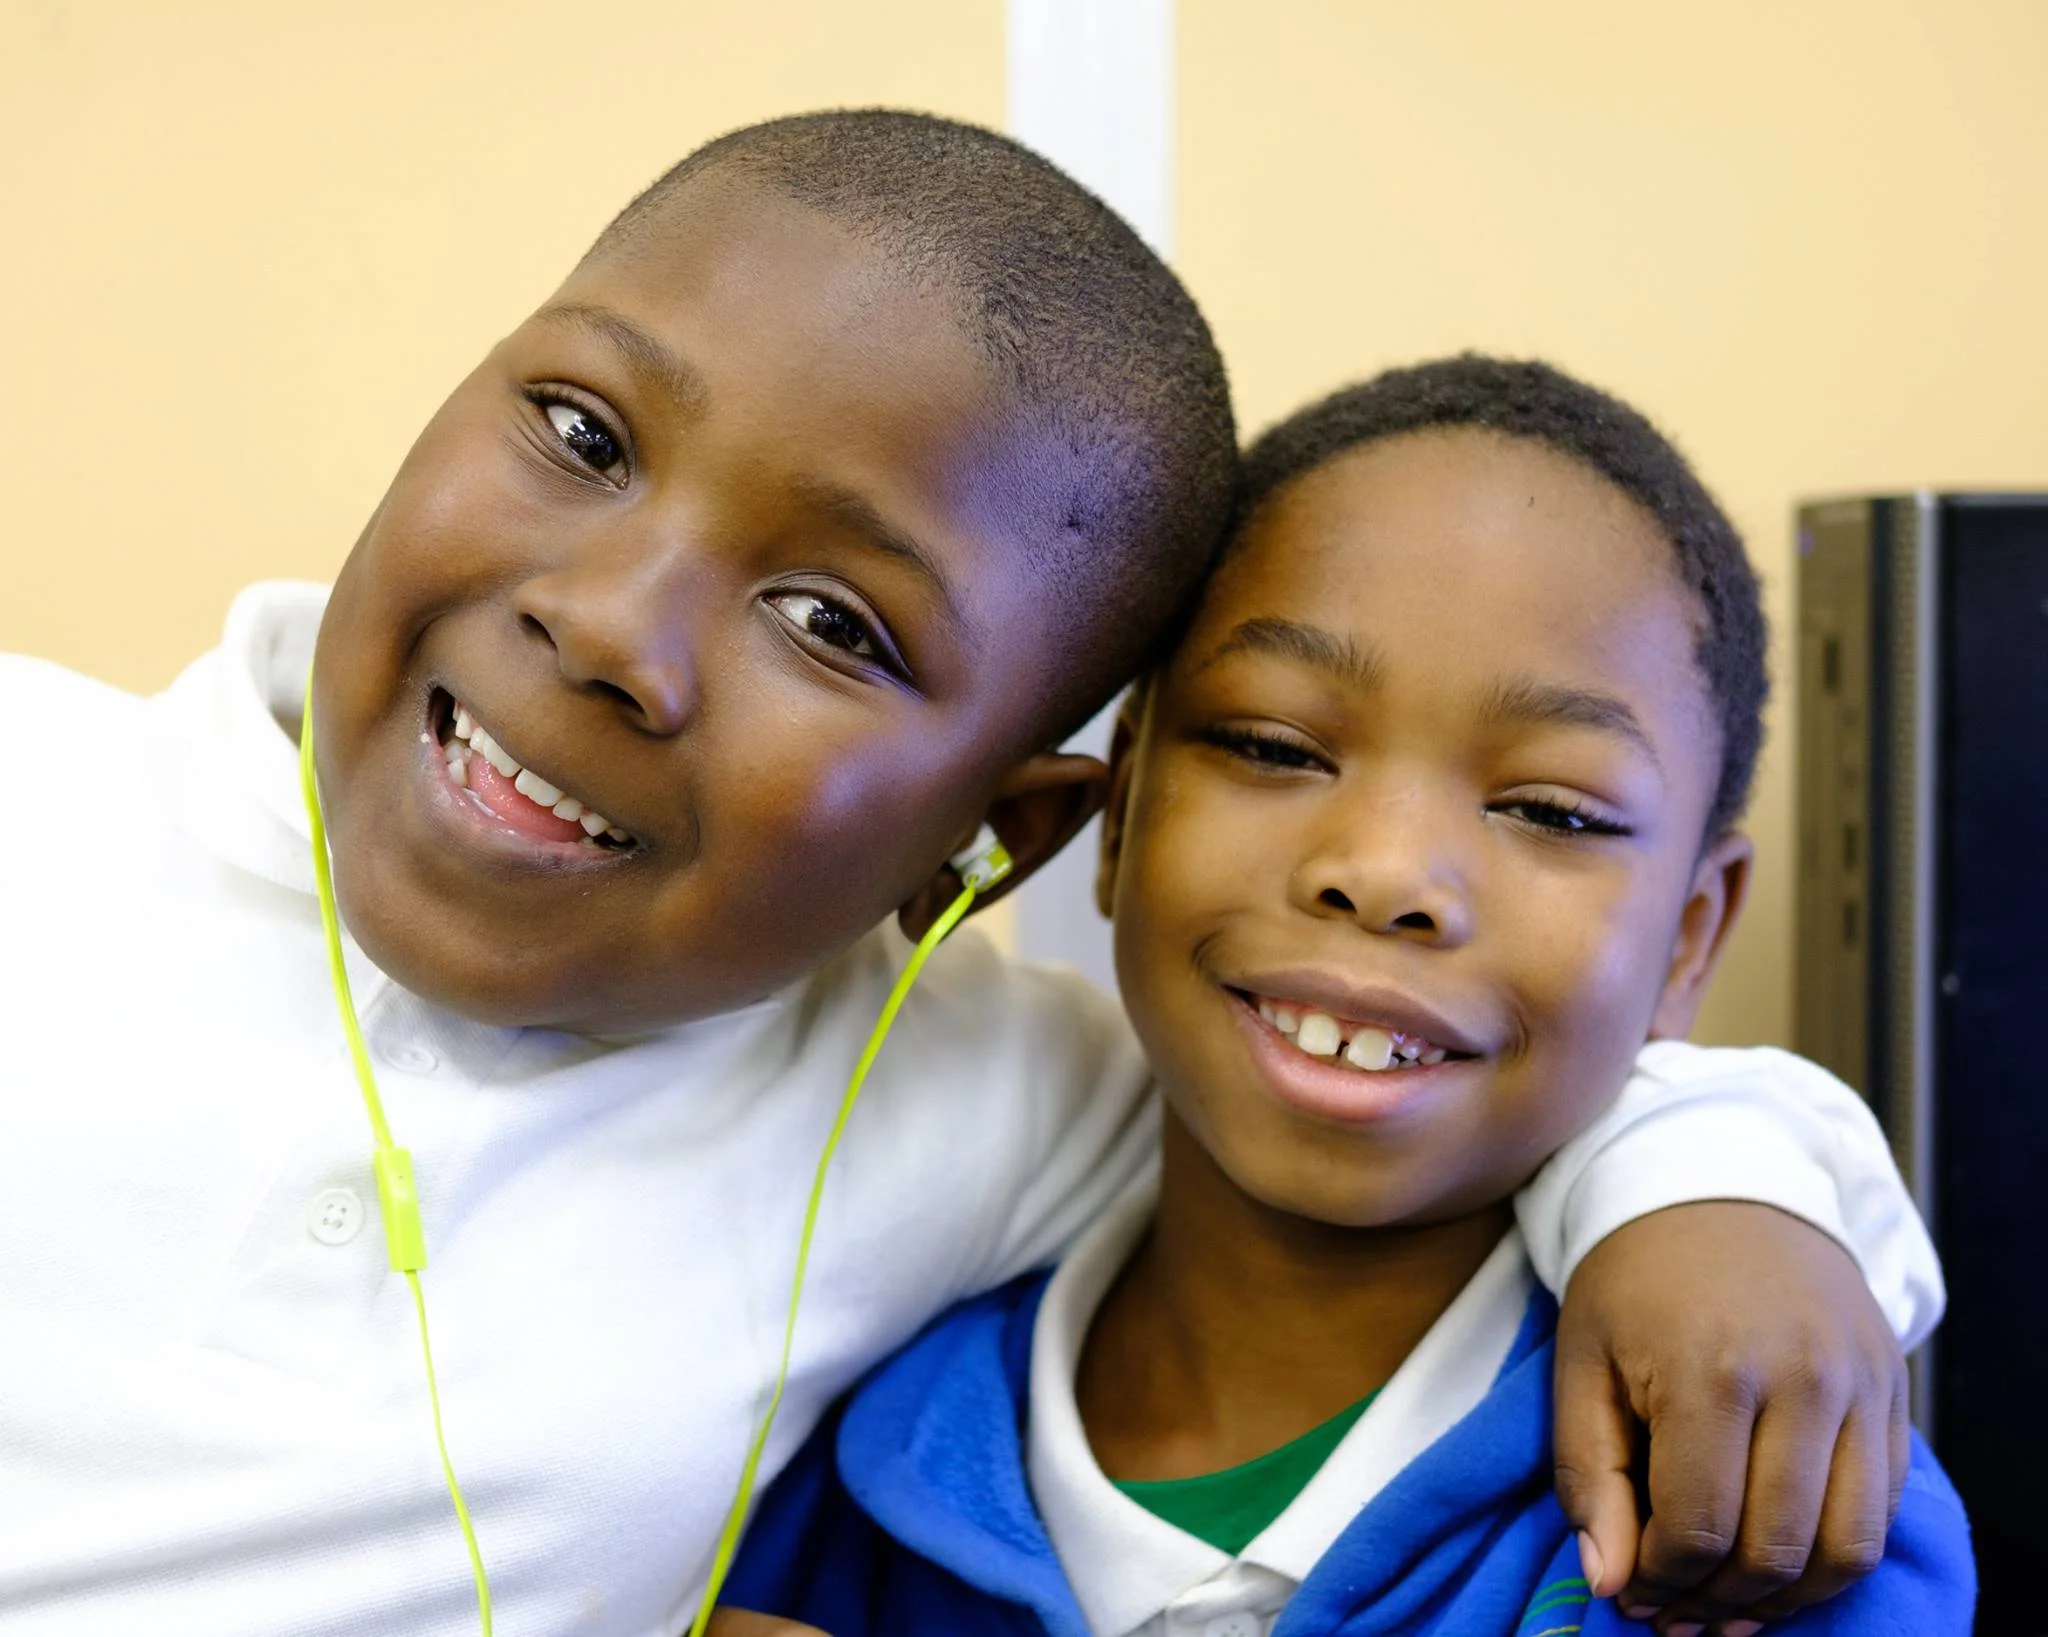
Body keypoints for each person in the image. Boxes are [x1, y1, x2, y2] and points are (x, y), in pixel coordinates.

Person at [0, 111, 1933, 1635]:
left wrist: (1715, 1190)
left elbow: (1374, 1073)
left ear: (998, 844)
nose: (607, 629)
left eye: (832, 622)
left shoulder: (956, 1101)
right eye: (581, 432)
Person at [717, 357, 1974, 1635]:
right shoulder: (837, 1445)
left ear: (1688, 936)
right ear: (1122, 806)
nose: (1381, 872)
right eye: (1272, 746)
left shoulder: (1755, 1500)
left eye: (1550, 810)